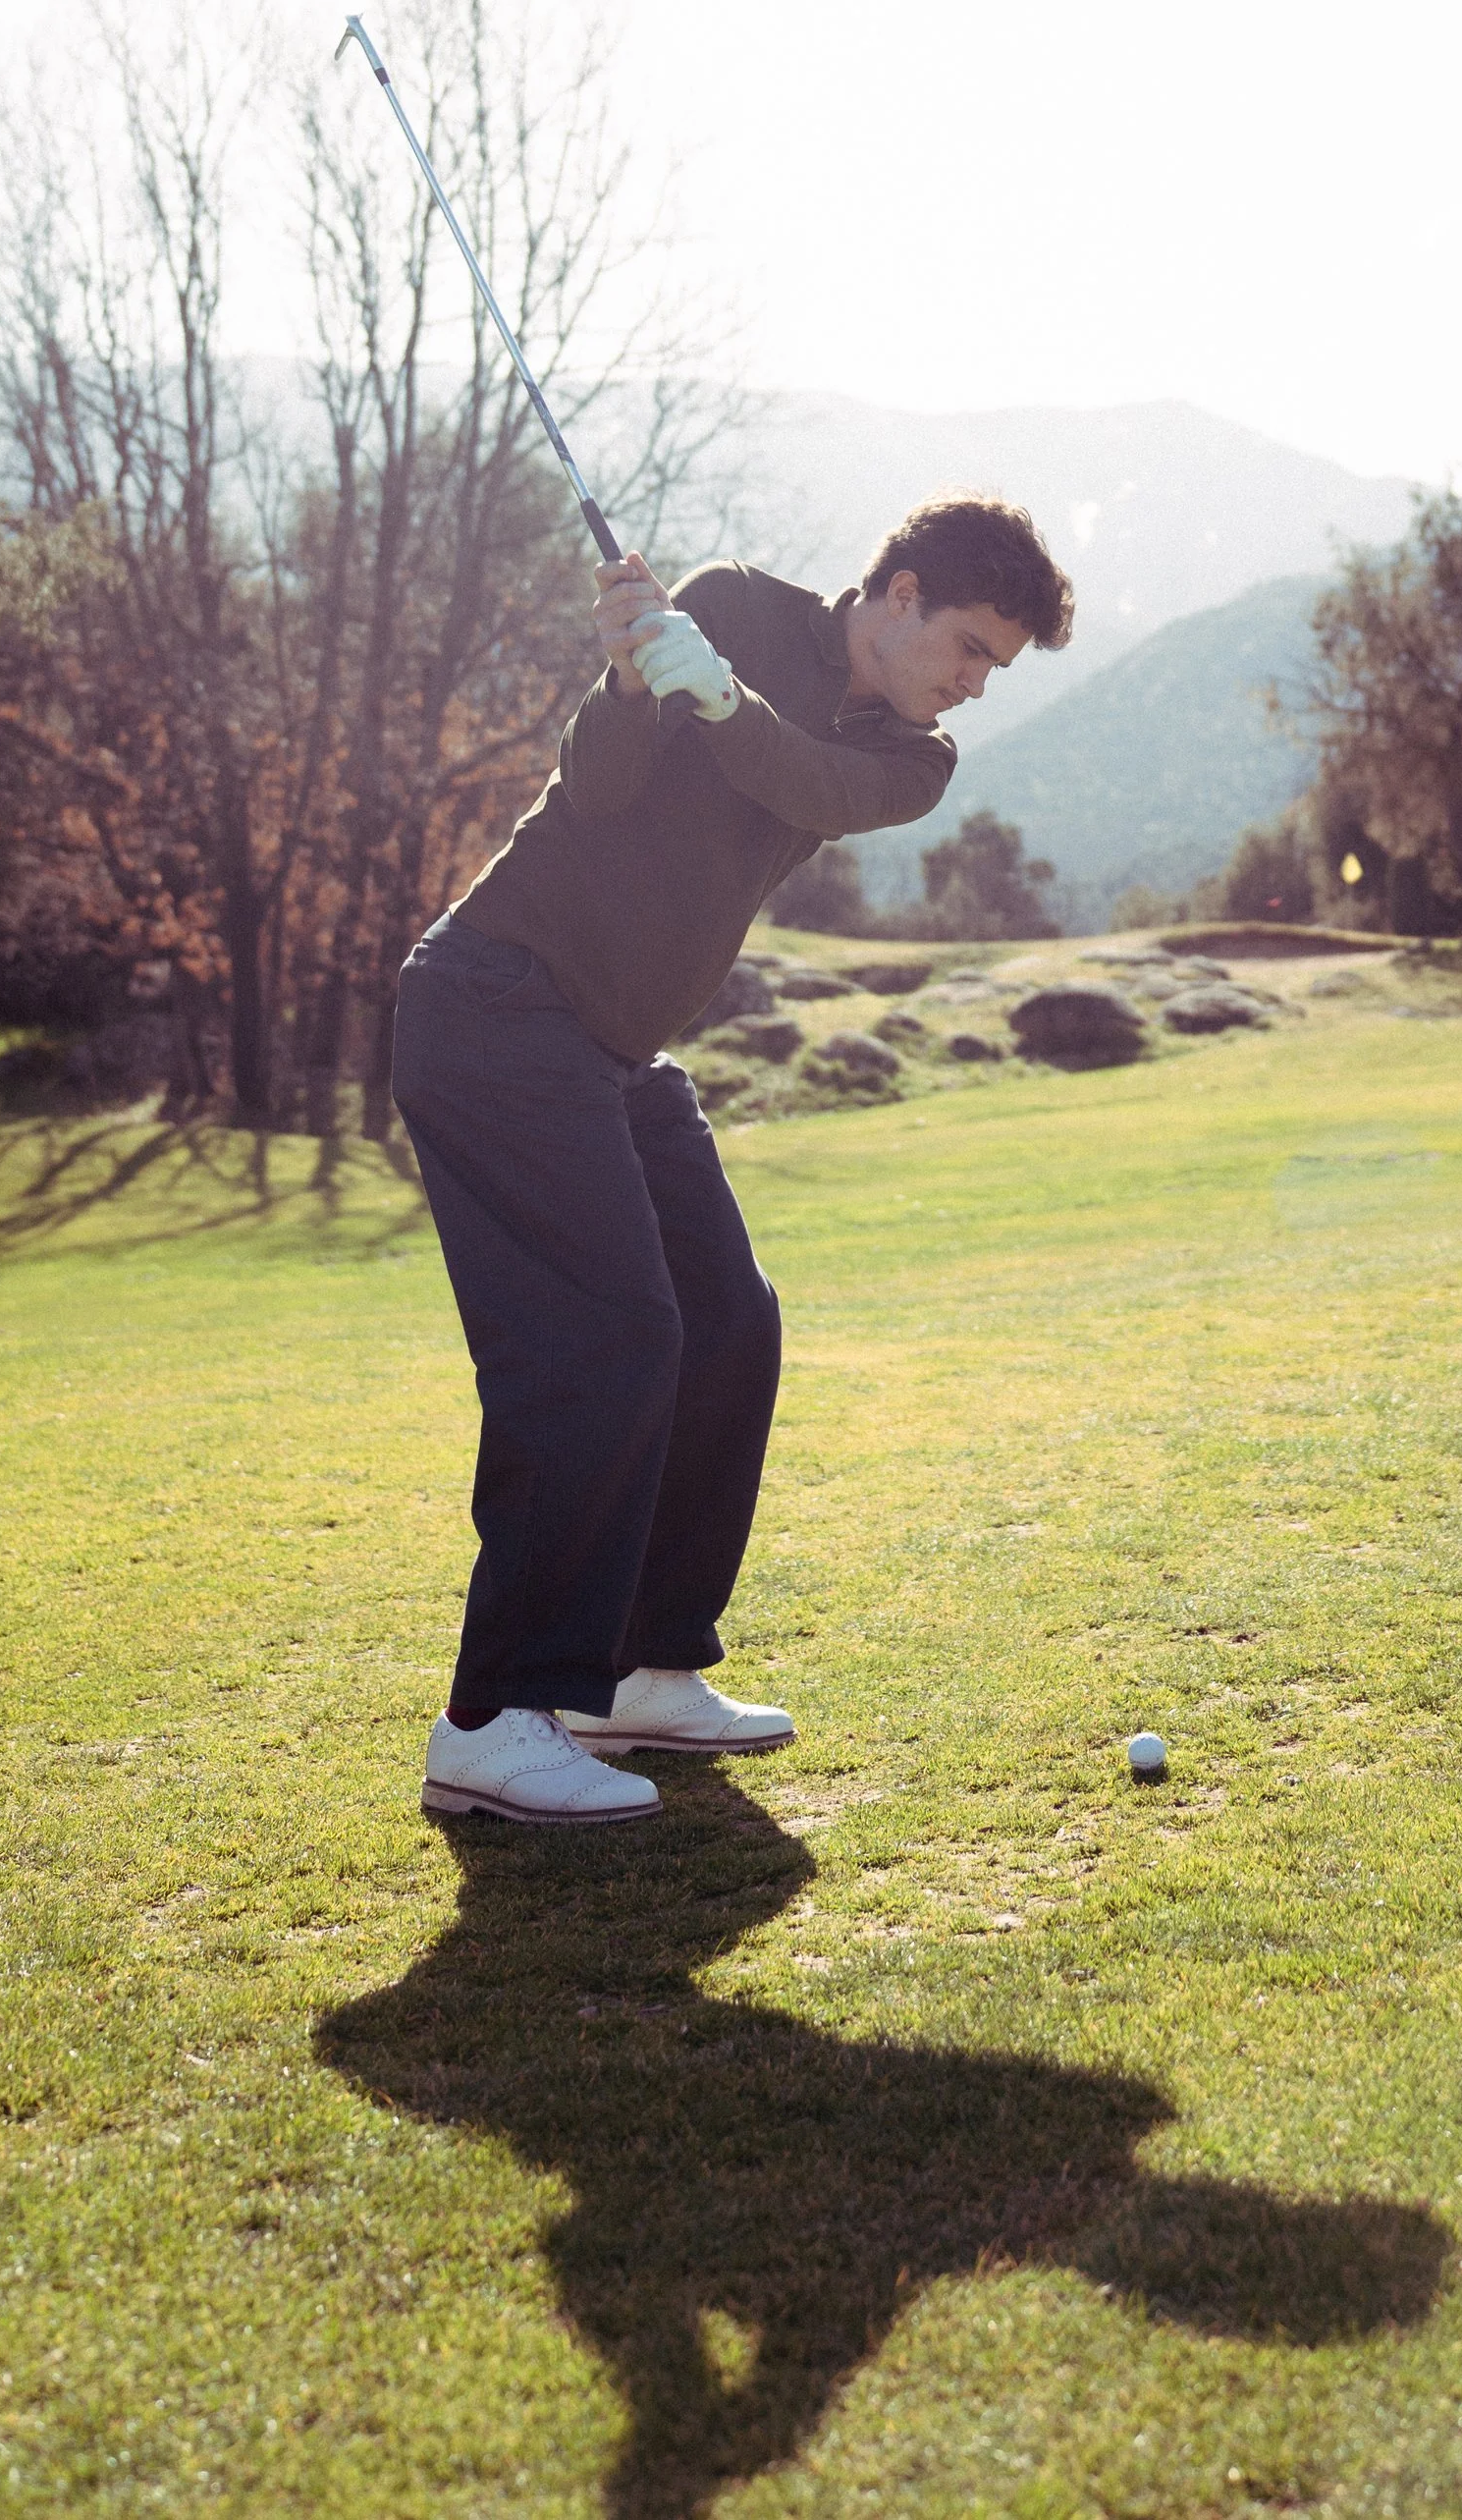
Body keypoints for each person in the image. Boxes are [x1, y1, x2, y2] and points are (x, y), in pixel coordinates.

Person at [392, 495, 1075, 1826]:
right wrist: (640, 667)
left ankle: (641, 1667)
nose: (974, 685)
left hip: (614, 1048)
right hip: (496, 1004)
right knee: (608, 1337)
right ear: (897, 591)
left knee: (725, 1321)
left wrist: (726, 709)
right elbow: (593, 784)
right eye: (972, 647)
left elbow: (809, 783)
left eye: (995, 666)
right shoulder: (735, 605)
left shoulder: (912, 752)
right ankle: (490, 1718)